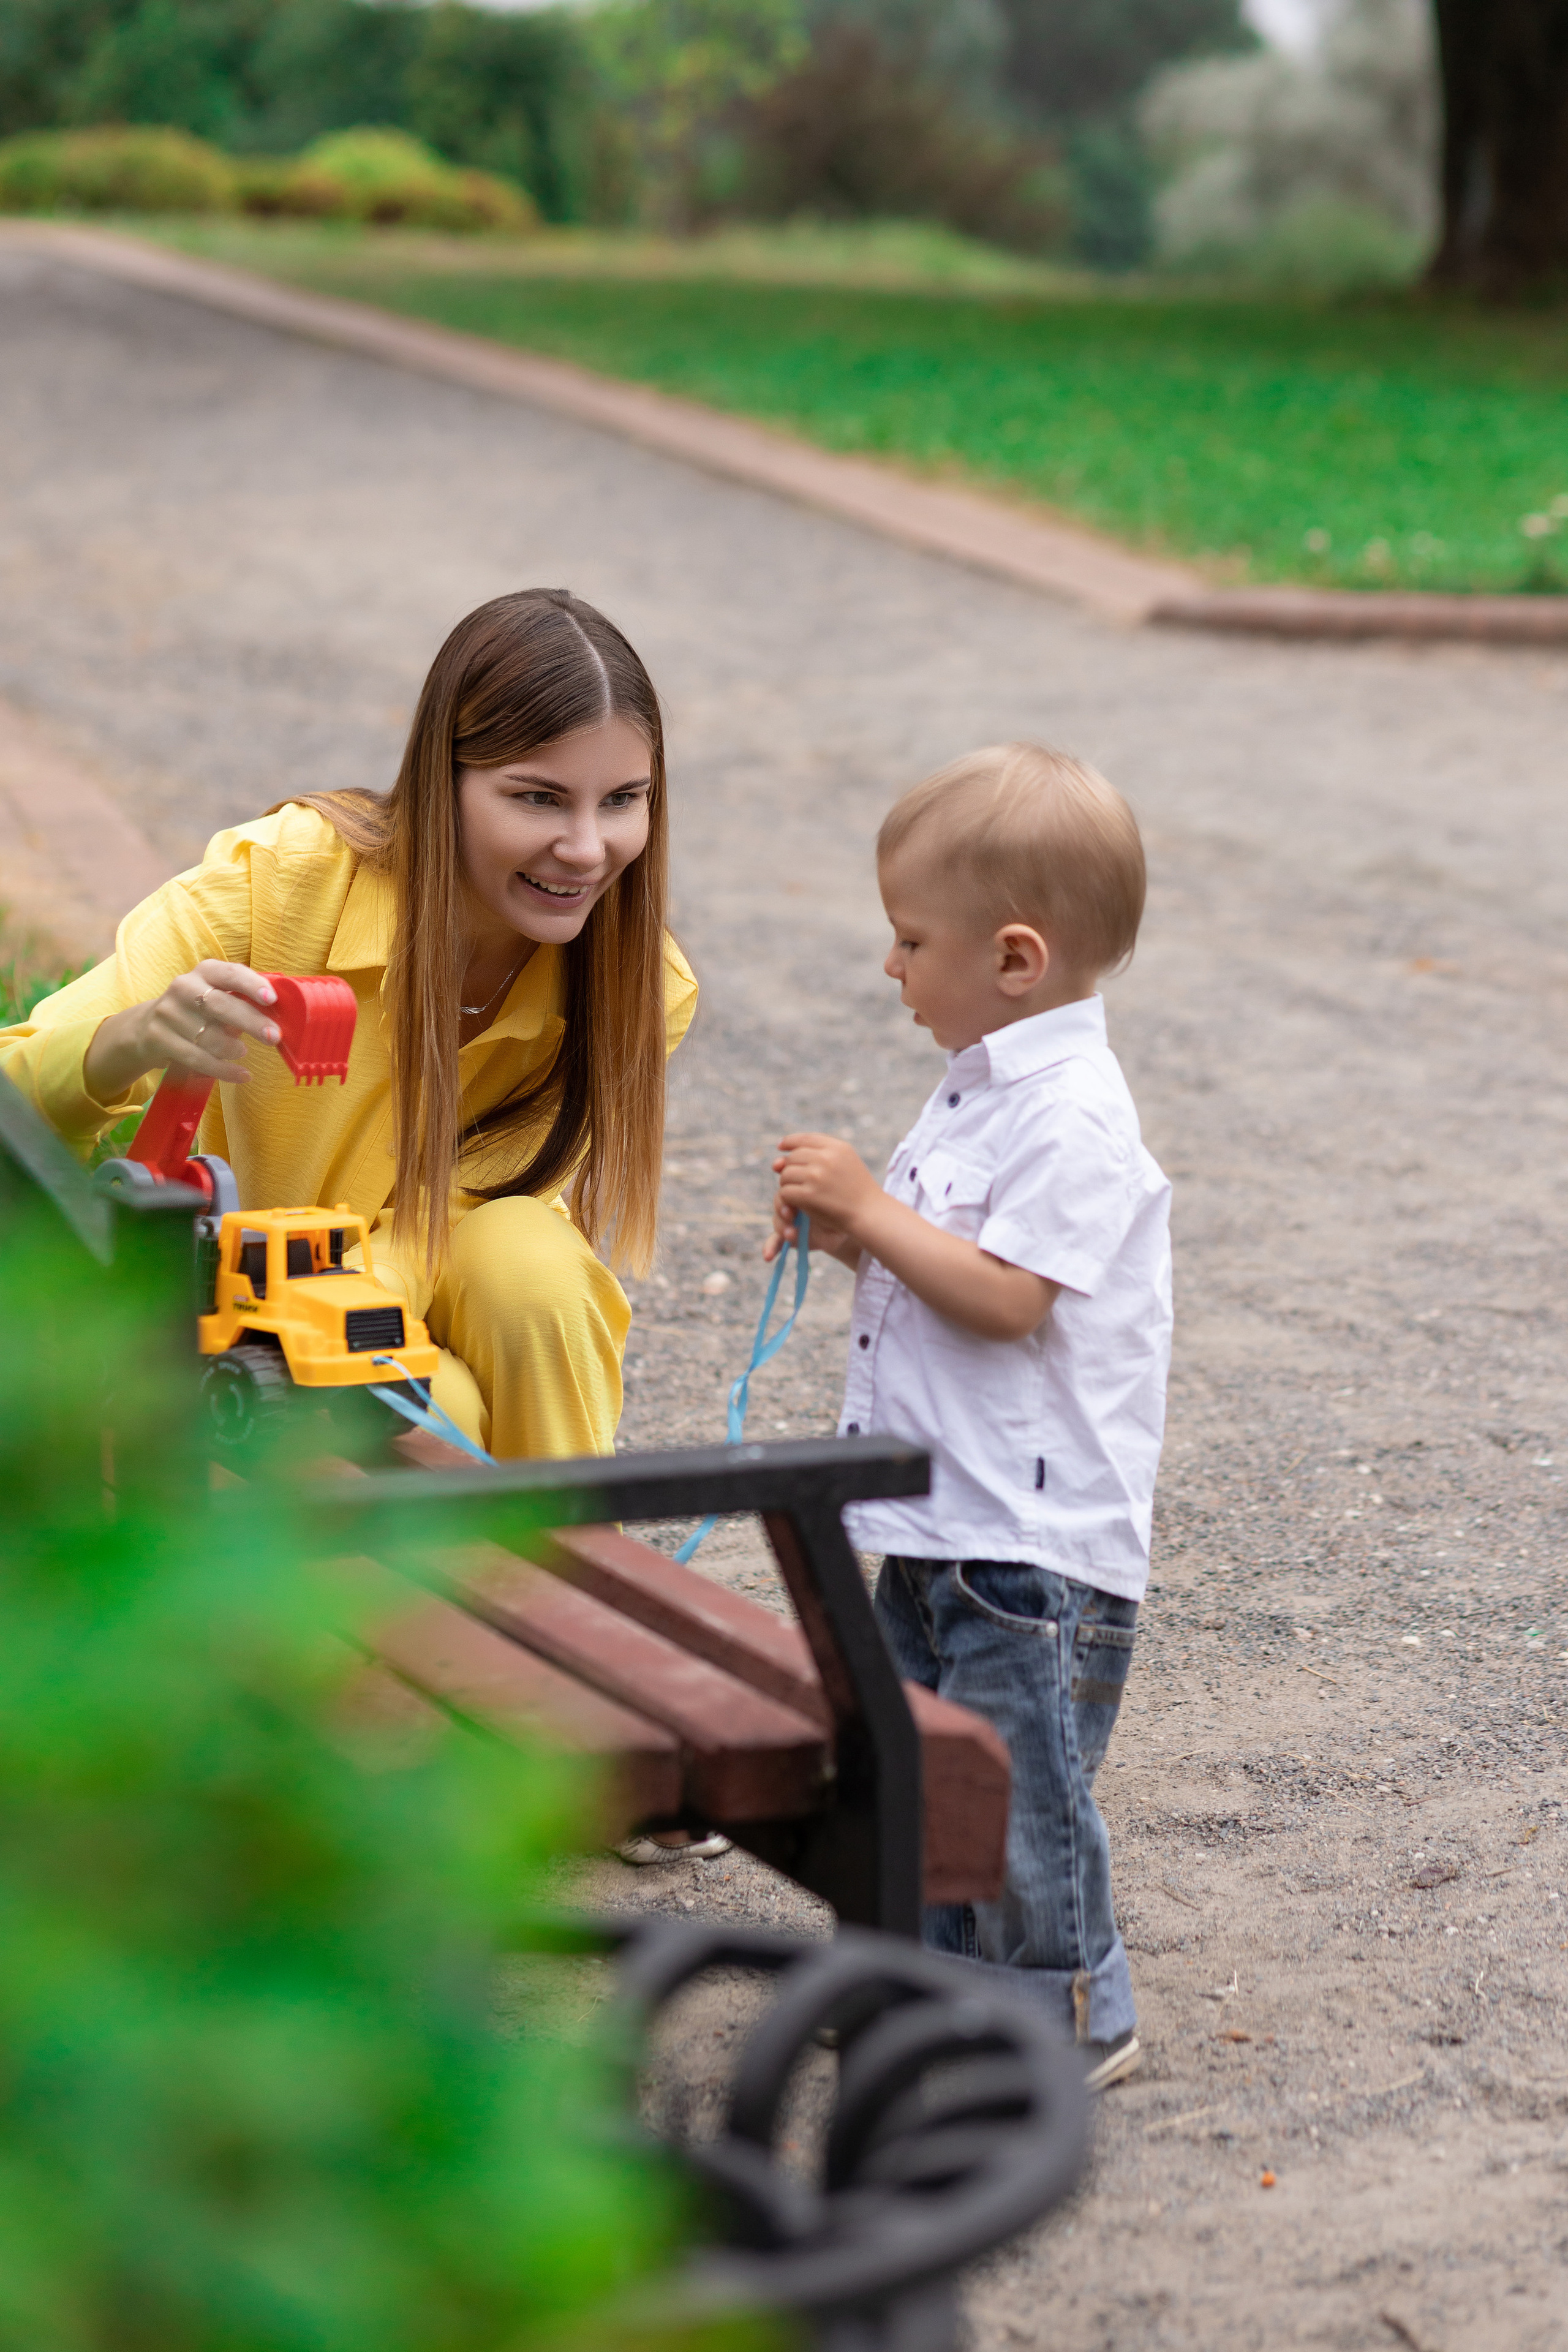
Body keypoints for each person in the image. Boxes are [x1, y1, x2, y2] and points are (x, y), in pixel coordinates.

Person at [0, 588, 696, 1461]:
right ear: (444, 783)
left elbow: (458, 1217)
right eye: (539, 800)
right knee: (433, 1412)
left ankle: (584, 1553)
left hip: (382, 1288)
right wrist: (131, 1043)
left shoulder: (639, 985)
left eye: (623, 800)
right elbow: (15, 1107)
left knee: (532, 1263)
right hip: (230, 1325)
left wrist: (344, 1311)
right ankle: (513, 1569)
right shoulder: (282, 882)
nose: (589, 848)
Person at [767, 742, 1171, 2089]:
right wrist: (850, 1235)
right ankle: (937, 1987)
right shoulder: (983, 1090)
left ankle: (1069, 2012)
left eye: (906, 939)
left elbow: (1007, 1304)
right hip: (950, 1509)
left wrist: (873, 1212)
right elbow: (945, 1272)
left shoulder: (1071, 1117)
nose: (890, 966)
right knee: (930, 1772)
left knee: (1014, 1797)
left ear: (1012, 958)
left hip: (1031, 1543)